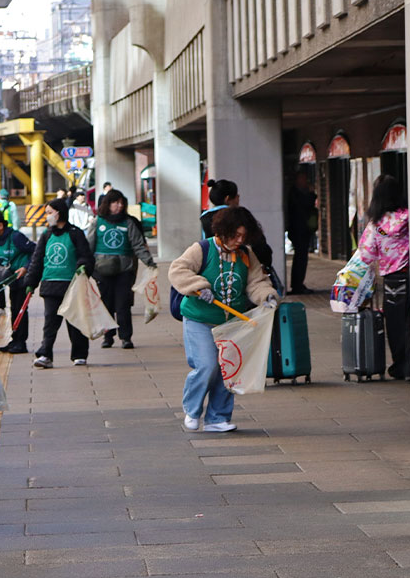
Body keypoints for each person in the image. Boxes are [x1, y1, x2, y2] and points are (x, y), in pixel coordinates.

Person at [168, 207, 277, 433]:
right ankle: (192, 409)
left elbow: (256, 282)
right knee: (207, 365)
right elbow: (178, 270)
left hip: (230, 323)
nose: (239, 240)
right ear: (223, 231)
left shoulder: (246, 254)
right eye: (235, 235)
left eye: (243, 237)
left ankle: (218, 417)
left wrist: (266, 296)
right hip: (200, 318)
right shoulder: (202, 248)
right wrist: (198, 287)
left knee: (228, 369)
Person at [24, 199, 95, 368]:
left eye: (50, 212)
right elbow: (37, 260)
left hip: (71, 287)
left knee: (75, 322)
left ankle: (79, 354)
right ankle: (45, 354)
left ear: (60, 212)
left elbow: (86, 256)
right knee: (50, 324)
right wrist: (31, 282)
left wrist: (83, 266)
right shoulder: (46, 235)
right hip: (50, 286)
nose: (48, 216)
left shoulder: (75, 233)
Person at [87, 189, 156, 349]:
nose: (118, 206)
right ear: (108, 204)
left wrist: (149, 262)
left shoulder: (128, 222)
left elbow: (138, 244)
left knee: (123, 304)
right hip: (102, 270)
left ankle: (126, 337)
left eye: (121, 203)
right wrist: (85, 265)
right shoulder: (98, 222)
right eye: (115, 203)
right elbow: (89, 245)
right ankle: (108, 336)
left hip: (124, 270)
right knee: (106, 304)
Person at [356, 174, 410, 380]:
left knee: (395, 325)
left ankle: (401, 367)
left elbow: (366, 255)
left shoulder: (376, 225)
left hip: (393, 280)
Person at [0, 210, 36, 353]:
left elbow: (36, 250)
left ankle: (21, 343)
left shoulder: (16, 237)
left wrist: (26, 267)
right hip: (11, 281)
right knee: (13, 309)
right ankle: (15, 340)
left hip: (22, 280)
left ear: (0, 226)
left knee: (20, 310)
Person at [201, 178, 274, 271]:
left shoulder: (204, 218)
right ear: (227, 199)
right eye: (237, 196)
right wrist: (266, 262)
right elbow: (259, 244)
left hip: (215, 268)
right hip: (241, 267)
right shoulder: (240, 215)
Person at [286, 171, 318, 294]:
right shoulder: (296, 193)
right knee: (300, 258)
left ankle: (298, 284)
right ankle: (297, 285)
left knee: (302, 257)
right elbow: (306, 204)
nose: (305, 182)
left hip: (302, 230)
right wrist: (311, 193)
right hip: (298, 230)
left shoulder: (297, 192)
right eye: (303, 179)